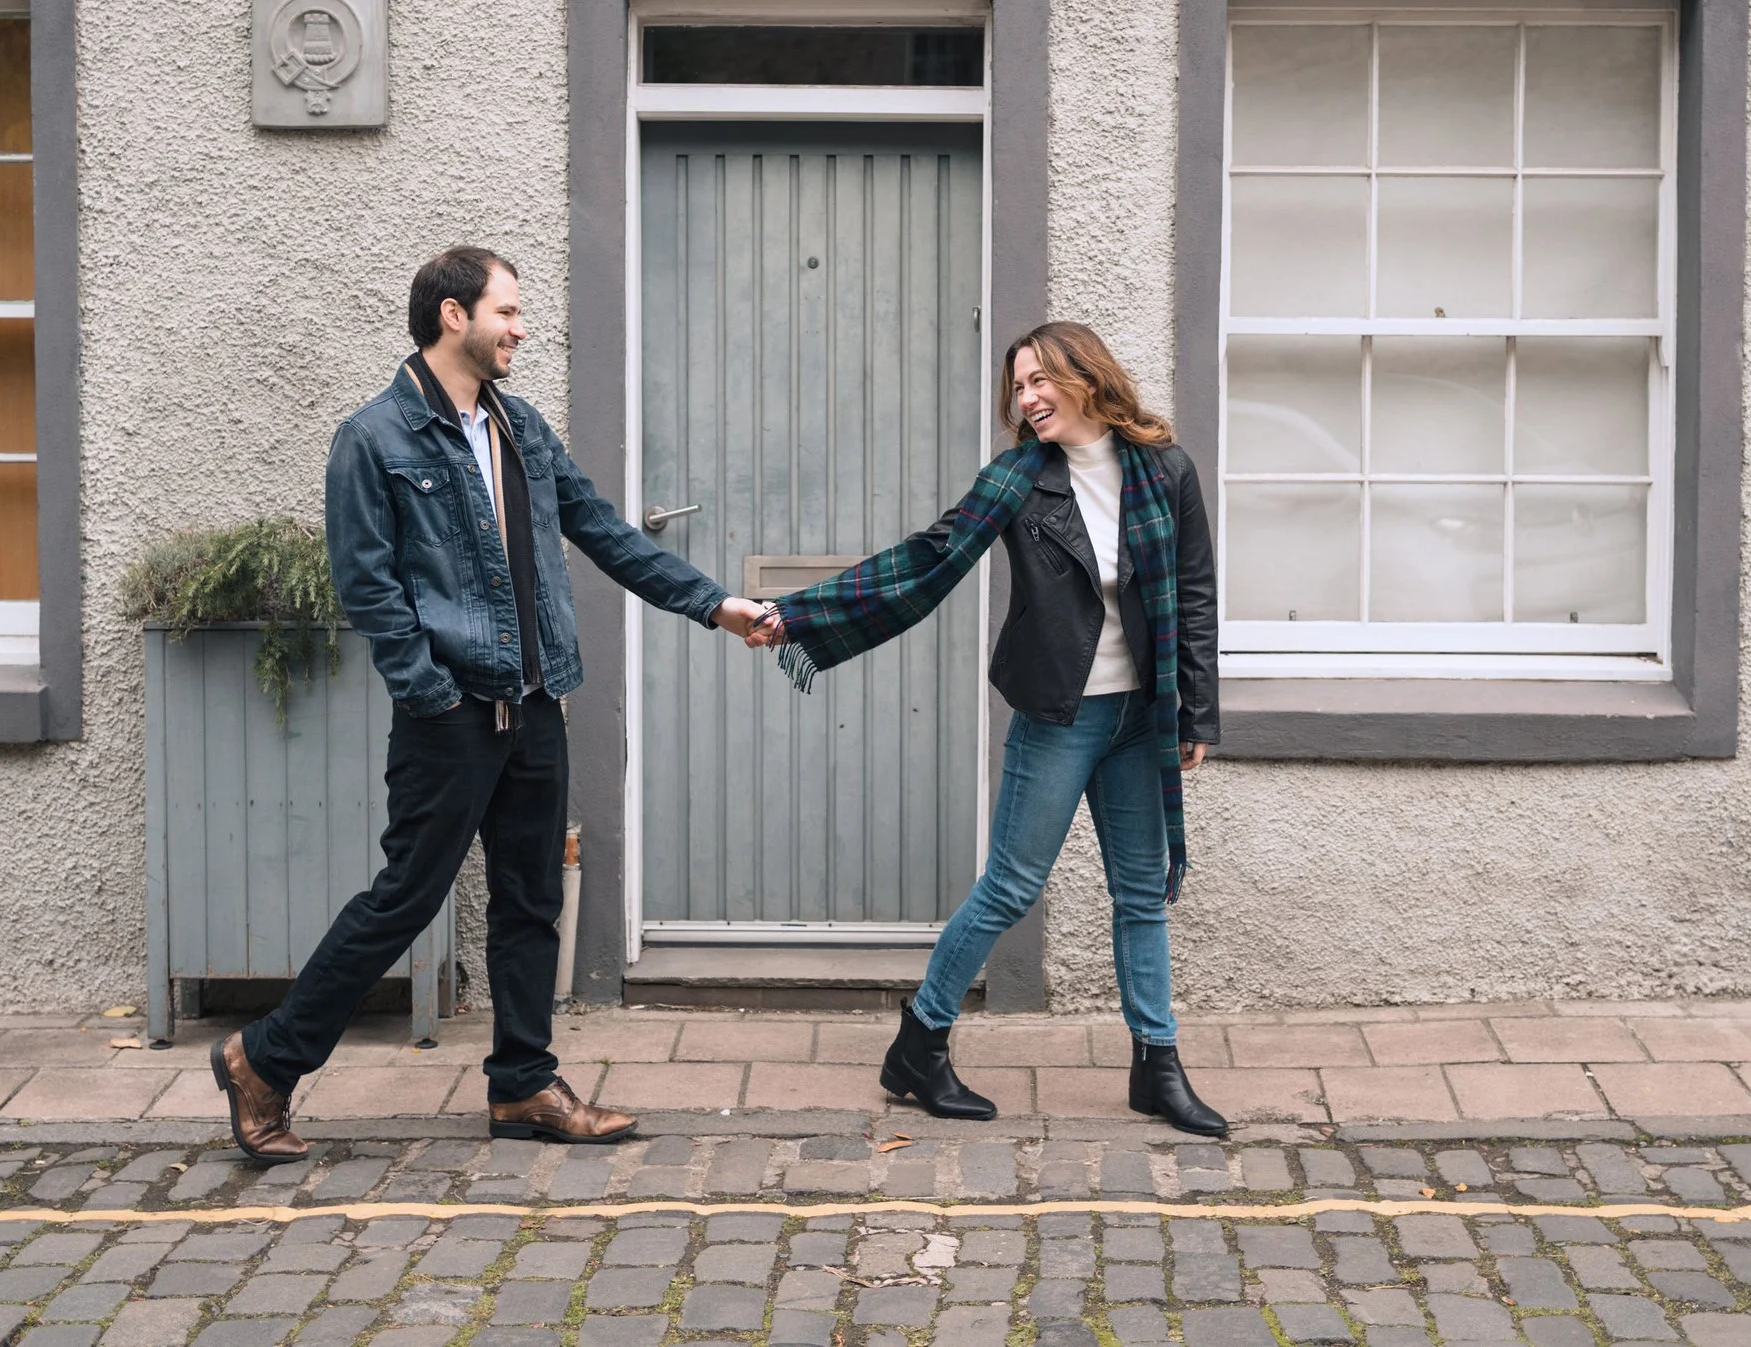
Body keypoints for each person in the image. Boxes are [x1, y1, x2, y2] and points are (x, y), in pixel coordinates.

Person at [212, 245, 770, 1160]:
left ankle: (522, 1085)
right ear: (452, 317)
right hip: (452, 714)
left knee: (528, 902)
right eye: (507, 311)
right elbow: (368, 588)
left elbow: (606, 534)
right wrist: (430, 691)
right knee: (404, 898)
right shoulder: (375, 438)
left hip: (538, 703)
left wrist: (714, 604)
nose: (521, 328)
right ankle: (263, 1060)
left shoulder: (522, 430)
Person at [747, 321, 1226, 1136]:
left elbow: (1195, 595)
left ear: (1086, 375)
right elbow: (925, 559)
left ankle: (1158, 1064)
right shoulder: (1016, 480)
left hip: (1141, 714)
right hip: (1059, 716)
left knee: (1141, 896)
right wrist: (794, 617)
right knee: (1010, 886)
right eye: (1018, 386)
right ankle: (920, 1043)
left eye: (1040, 379)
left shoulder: (1163, 470)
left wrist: (1197, 708)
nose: (1027, 398)